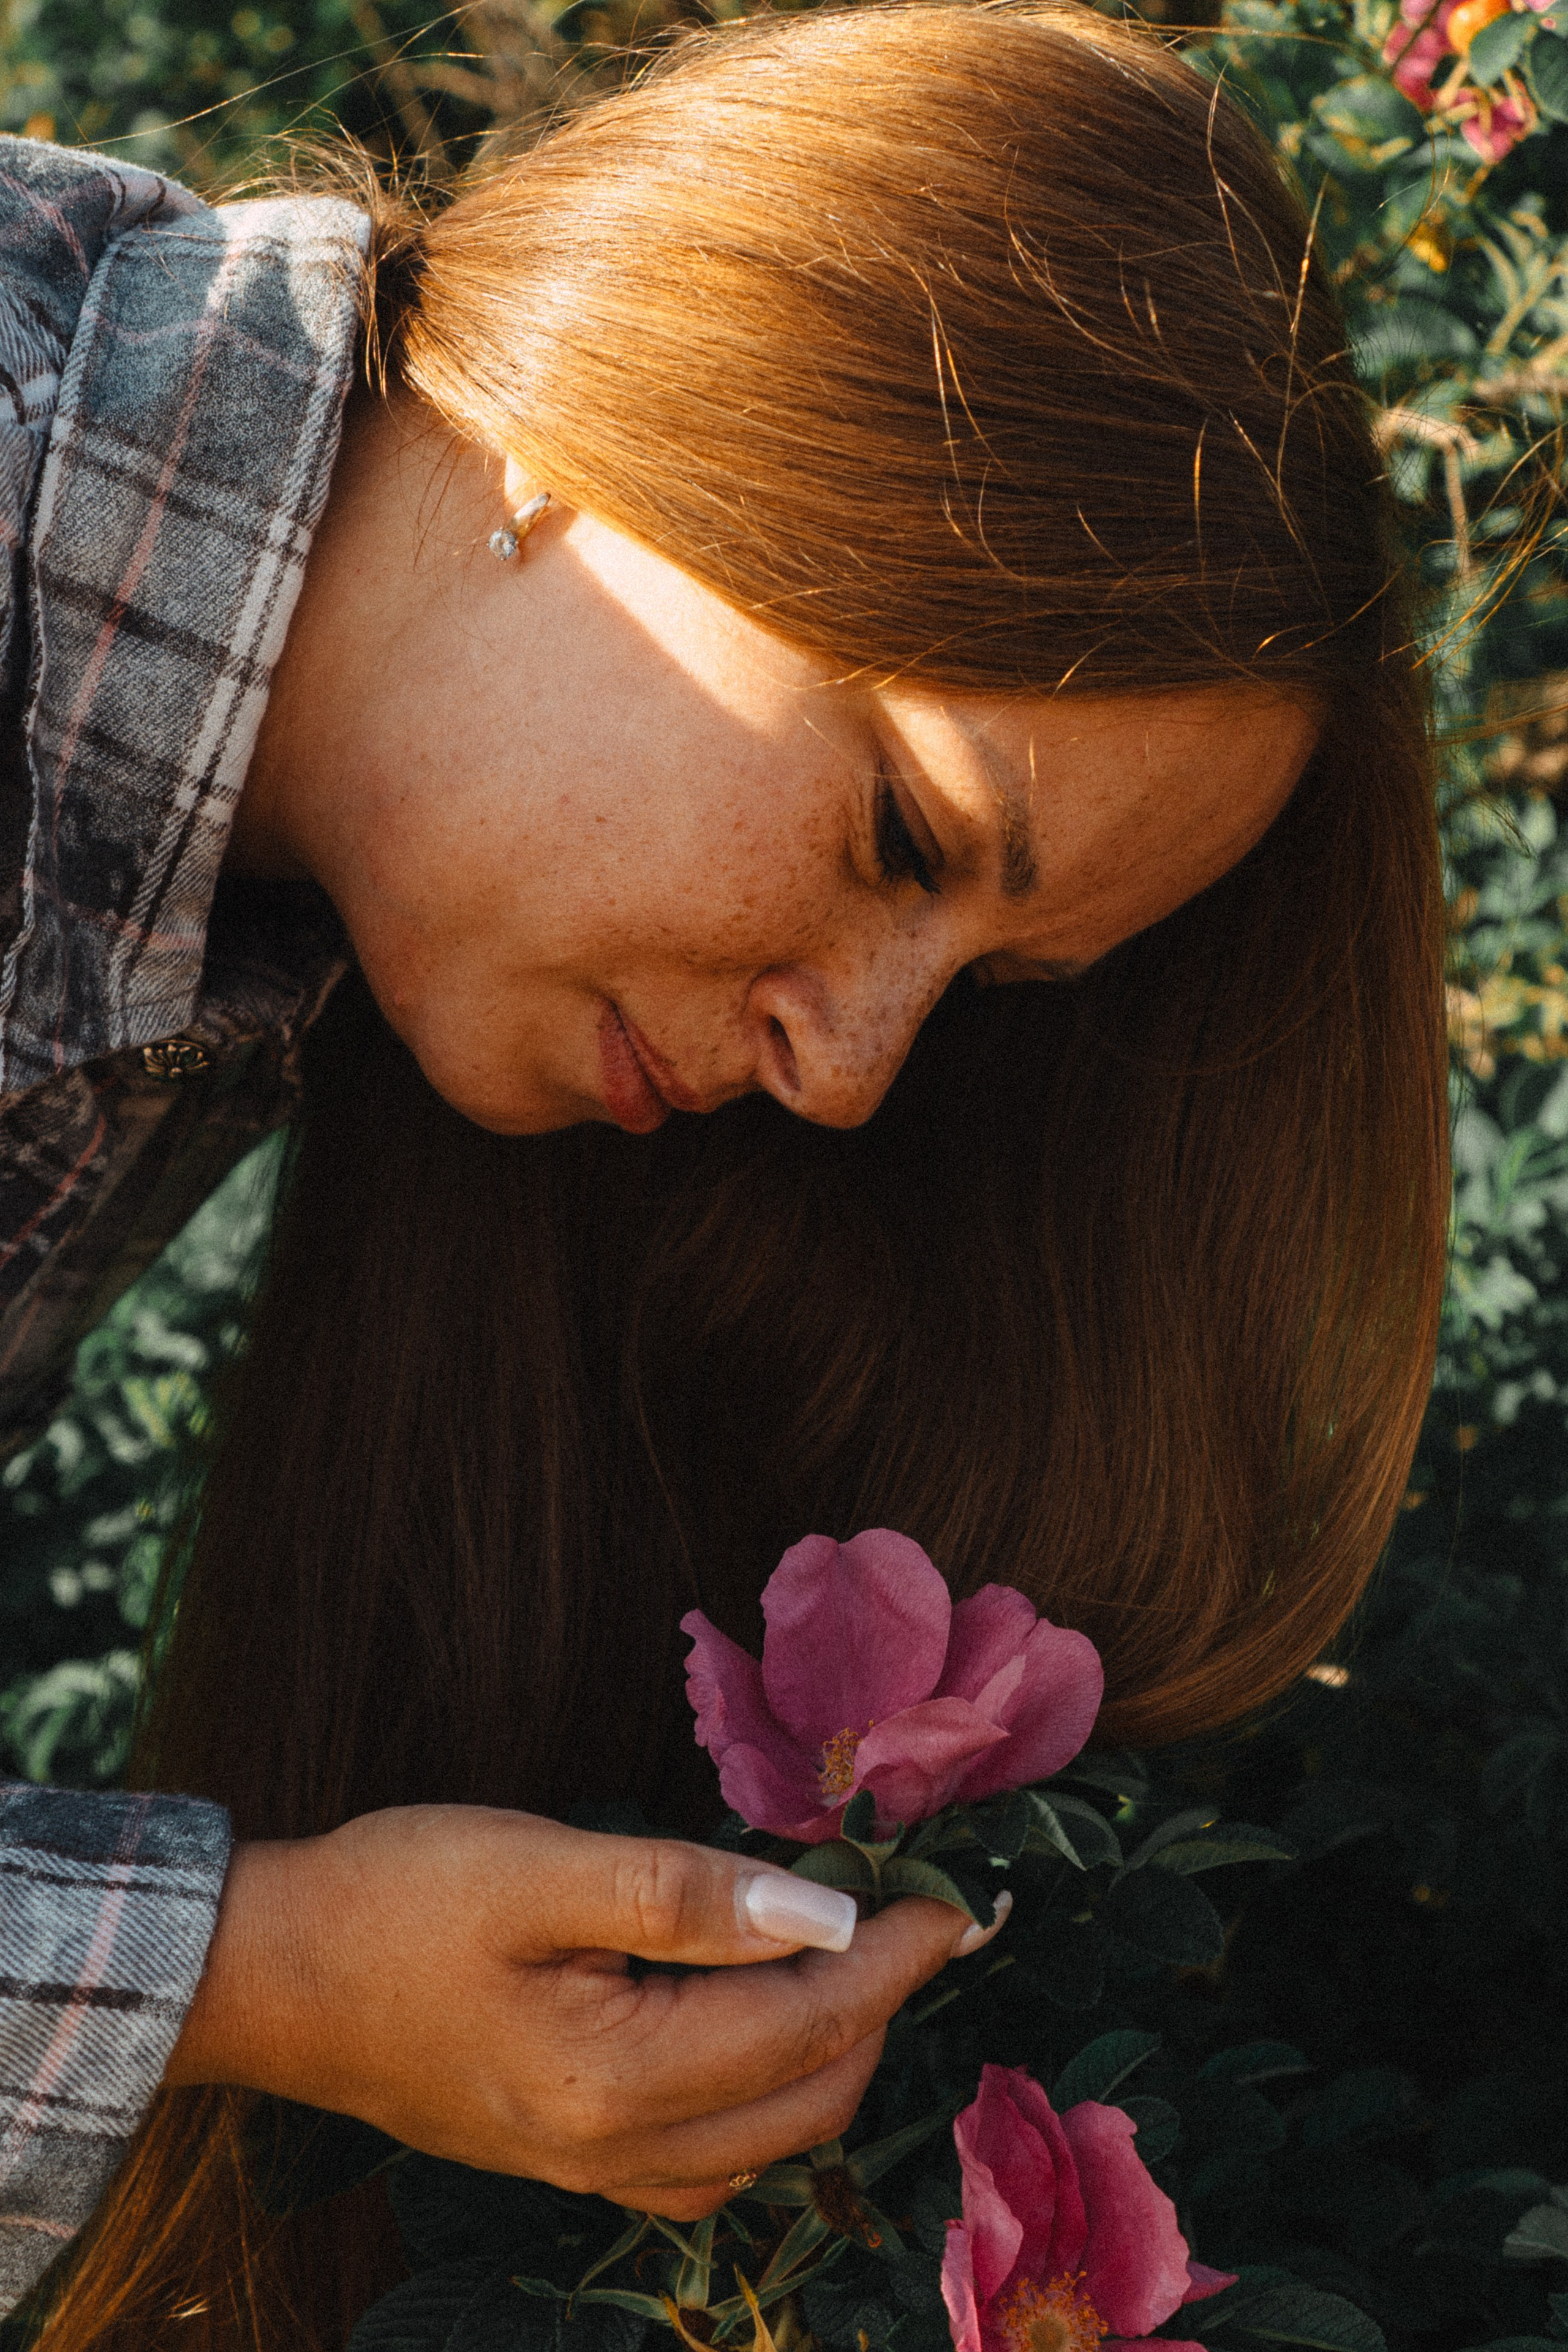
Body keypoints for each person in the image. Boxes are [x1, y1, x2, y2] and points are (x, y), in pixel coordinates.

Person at [0, 0, 1449, 2341]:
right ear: (641, 408)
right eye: (904, 835)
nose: (850, 1075)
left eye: (985, 987)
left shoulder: (227, 901)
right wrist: (244, 1976)